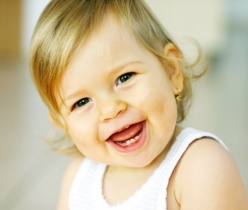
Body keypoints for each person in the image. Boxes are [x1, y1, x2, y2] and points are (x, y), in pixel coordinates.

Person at [29, 0, 248, 209]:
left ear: (171, 71)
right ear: (61, 122)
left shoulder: (201, 167)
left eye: (124, 78)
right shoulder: (77, 178)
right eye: (82, 102)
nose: (110, 110)